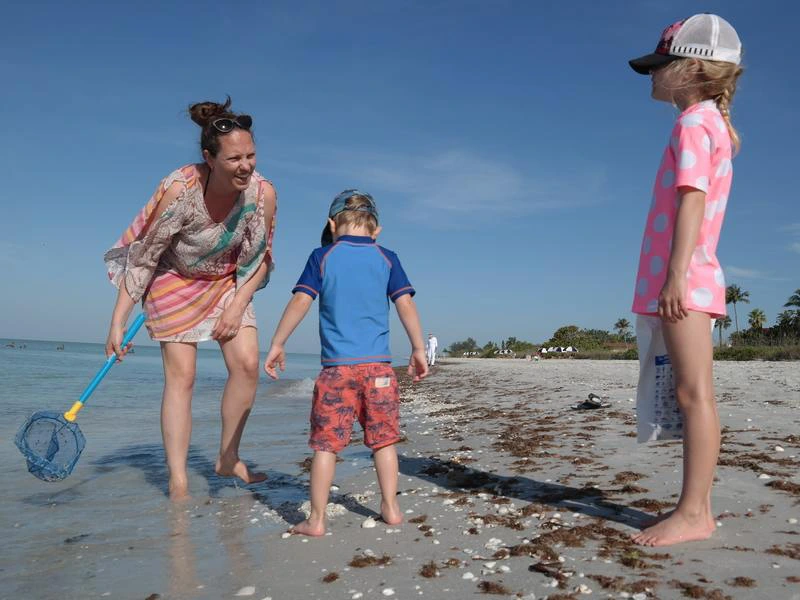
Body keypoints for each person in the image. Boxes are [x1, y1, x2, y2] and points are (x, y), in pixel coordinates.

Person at [103, 97, 277, 500]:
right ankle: (178, 480)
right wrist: (118, 321)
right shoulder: (180, 189)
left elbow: (258, 260)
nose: (246, 166)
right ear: (209, 159)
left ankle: (228, 458)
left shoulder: (262, 194)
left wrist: (237, 305)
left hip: (227, 280)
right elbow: (145, 257)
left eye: (251, 156)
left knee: (247, 364)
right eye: (234, 159)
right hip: (172, 276)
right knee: (183, 377)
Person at [628, 14, 743, 546]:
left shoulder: (694, 123)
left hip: (687, 278)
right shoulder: (708, 122)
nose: (653, 74)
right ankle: (696, 508)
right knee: (693, 392)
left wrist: (675, 276)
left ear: (692, 69)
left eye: (661, 64)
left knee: (695, 394)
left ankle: (695, 513)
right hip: (691, 276)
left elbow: (691, 198)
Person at [263, 190, 428, 536]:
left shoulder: (322, 256)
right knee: (384, 441)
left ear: (331, 224)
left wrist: (278, 342)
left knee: (326, 446)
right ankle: (391, 508)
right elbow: (405, 304)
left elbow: (301, 301)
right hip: (379, 370)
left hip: (337, 371)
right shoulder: (387, 258)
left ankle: (317, 520)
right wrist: (417, 348)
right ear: (376, 229)